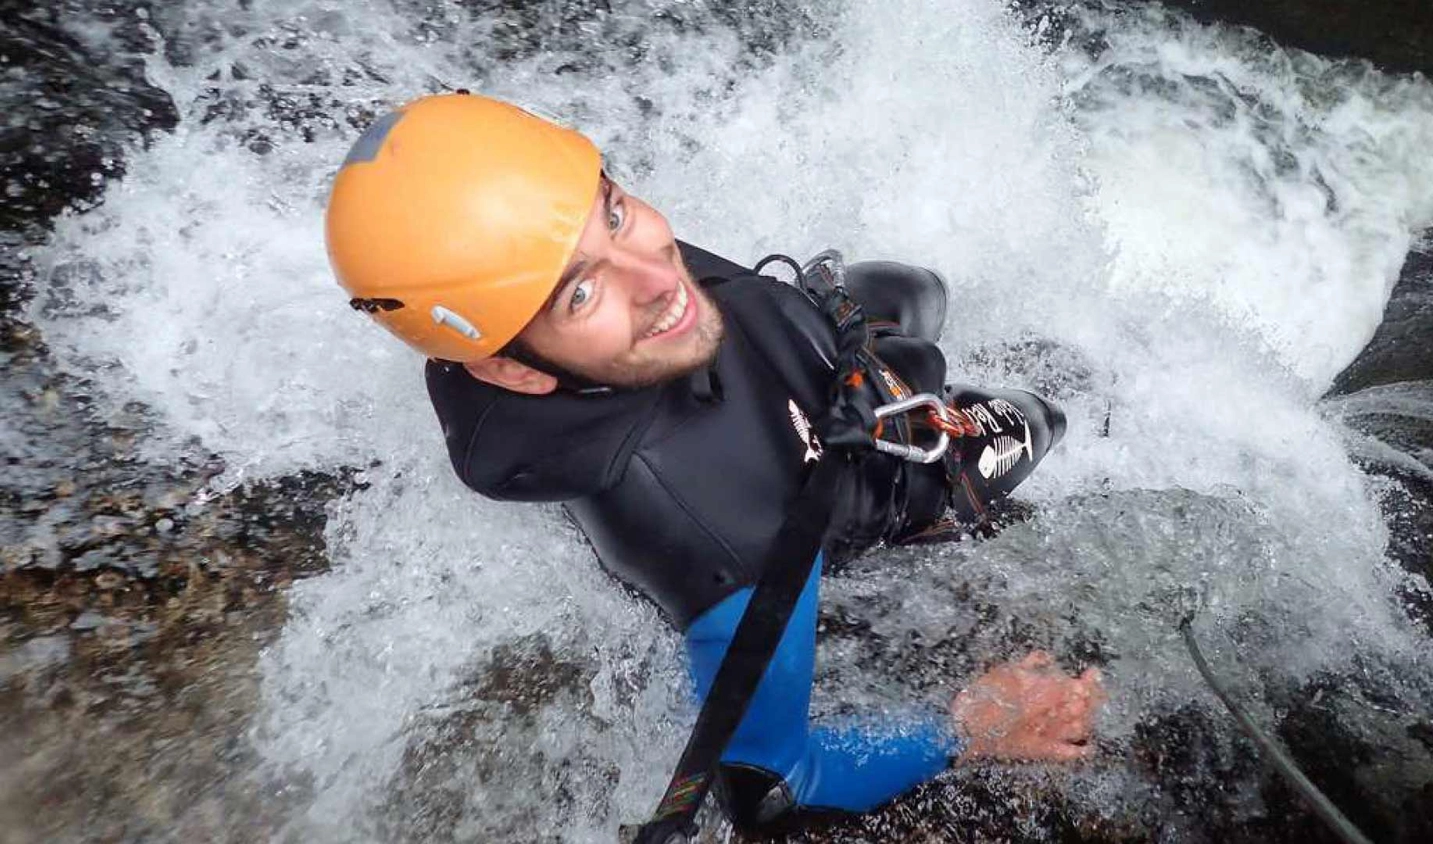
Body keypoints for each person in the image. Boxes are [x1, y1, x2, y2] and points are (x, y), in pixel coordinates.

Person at [325, 91, 1105, 833]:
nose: (662, 277)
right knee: (1042, 413)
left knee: (916, 288)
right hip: (883, 473)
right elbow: (768, 790)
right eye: (581, 296)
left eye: (617, 214)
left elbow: (614, 267)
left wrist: (632, 288)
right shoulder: (721, 537)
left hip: (793, 343)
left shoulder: (516, 301)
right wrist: (965, 728)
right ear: (511, 371)